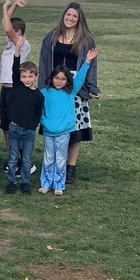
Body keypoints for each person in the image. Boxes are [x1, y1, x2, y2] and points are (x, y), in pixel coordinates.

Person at [38, 2, 100, 185]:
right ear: (63, 15)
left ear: (80, 19)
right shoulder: (51, 37)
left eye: (74, 16)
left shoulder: (87, 40)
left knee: (74, 129)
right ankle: (53, 167)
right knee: (54, 127)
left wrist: (92, 87)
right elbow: (43, 63)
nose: (70, 18)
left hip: (75, 88)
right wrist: (43, 86)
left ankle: (70, 167)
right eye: (68, 14)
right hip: (53, 87)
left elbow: (91, 66)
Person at [39, 47, 98, 195]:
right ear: (52, 78)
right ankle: (46, 183)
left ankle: (59, 185)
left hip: (64, 132)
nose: (59, 81)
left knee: (60, 159)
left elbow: (80, 78)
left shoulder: (70, 92)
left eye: (63, 79)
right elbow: (39, 111)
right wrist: (44, 122)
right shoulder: (44, 93)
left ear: (67, 81)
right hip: (48, 131)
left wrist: (88, 61)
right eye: (57, 78)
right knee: (48, 158)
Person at [4, 36, 44, 195]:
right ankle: (11, 182)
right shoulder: (17, 87)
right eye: (24, 76)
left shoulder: (39, 95)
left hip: (29, 131)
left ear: (36, 77)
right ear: (19, 78)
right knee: (13, 157)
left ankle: (25, 183)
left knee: (27, 158)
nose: (27, 79)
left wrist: (33, 124)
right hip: (14, 128)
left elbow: (38, 113)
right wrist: (18, 49)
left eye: (30, 76)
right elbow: (15, 67)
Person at [0, 0, 32, 171]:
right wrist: (14, 6)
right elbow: (6, 24)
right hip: (5, 89)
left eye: (11, 31)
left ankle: (23, 159)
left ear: (18, 32)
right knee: (6, 126)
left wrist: (5, 7)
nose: (6, 34)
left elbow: (6, 27)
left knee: (16, 127)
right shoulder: (7, 47)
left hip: (15, 89)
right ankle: (13, 158)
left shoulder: (23, 44)